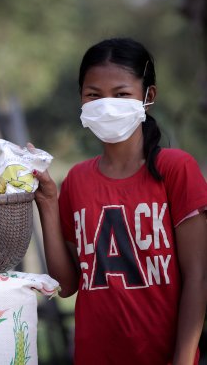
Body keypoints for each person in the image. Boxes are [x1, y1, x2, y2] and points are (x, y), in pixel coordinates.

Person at [33, 38, 207, 364]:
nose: (107, 105)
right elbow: (67, 284)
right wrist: (48, 203)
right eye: (93, 95)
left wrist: (183, 359)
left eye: (122, 94)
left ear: (148, 96)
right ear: (81, 100)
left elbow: (199, 276)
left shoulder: (176, 169)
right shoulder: (76, 181)